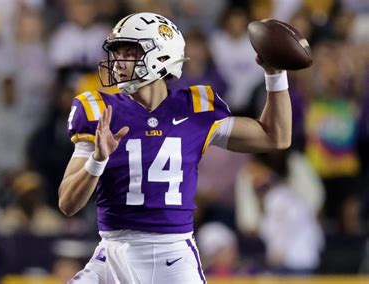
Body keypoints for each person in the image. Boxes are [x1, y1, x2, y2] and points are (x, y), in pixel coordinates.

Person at [59, 12, 292, 283]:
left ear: (160, 55)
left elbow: (275, 136)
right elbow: (67, 203)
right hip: (114, 253)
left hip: (174, 256)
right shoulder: (100, 110)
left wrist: (275, 75)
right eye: (116, 52)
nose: (118, 62)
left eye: (129, 52)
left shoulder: (195, 108)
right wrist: (97, 161)